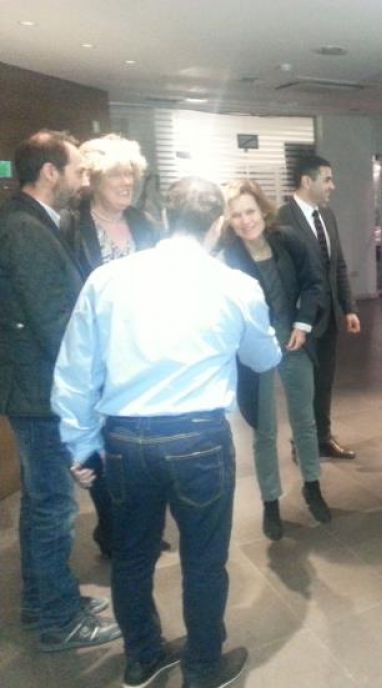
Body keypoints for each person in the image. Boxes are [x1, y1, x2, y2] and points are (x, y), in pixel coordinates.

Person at [52, 177, 282, 688]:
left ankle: (143, 658)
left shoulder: (108, 280)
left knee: (131, 557)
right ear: (218, 224)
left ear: (161, 218)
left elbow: (75, 370)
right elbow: (264, 357)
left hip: (124, 441)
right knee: (204, 560)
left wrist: (82, 444)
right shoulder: (235, 286)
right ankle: (202, 667)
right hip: (199, 439)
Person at [0, 130, 122, 652]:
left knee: (41, 502)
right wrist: (86, 389)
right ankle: (59, 619)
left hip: (33, 388)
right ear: (50, 172)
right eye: (77, 170)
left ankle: (44, 601)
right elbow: (55, 324)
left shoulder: (33, 221)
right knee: (54, 507)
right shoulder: (26, 230)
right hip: (41, 392)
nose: (83, 179)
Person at [62, 133, 162, 559]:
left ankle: (139, 524)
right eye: (117, 174)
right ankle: (112, 527)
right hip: (94, 352)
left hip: (140, 350)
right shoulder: (71, 226)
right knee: (100, 443)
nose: (127, 182)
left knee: (138, 441)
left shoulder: (144, 223)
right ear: (95, 178)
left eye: (131, 174)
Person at [221, 179, 329, 538]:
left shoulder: (287, 239)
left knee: (305, 420)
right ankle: (271, 502)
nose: (245, 220)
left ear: (262, 210)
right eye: (236, 215)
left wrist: (303, 322)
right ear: (228, 219)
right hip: (256, 348)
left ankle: (312, 485)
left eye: (250, 211)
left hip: (294, 339)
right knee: (264, 428)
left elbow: (314, 283)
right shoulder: (228, 255)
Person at [276, 154, 360, 460]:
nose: (332, 186)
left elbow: (338, 265)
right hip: (300, 321)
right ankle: (302, 443)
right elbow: (283, 277)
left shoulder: (327, 216)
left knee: (324, 383)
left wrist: (349, 307)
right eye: (327, 180)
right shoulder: (282, 219)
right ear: (306, 181)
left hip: (330, 318)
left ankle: (323, 438)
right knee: (303, 387)